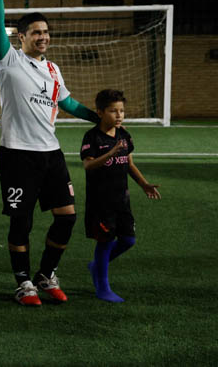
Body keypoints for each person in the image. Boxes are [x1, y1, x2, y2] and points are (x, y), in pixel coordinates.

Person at [0, 0, 100, 306]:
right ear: (21, 37)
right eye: (36, 32)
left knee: (67, 216)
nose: (43, 37)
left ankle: (45, 274)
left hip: (50, 153)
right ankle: (23, 282)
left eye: (46, 32)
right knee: (21, 223)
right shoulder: (8, 59)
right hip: (18, 153)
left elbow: (66, 102)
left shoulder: (53, 68)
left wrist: (98, 119)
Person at [81, 89, 160, 303]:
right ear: (100, 112)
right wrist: (109, 154)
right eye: (113, 111)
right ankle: (102, 287)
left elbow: (129, 164)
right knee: (105, 242)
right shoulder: (92, 137)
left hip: (122, 200)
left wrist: (144, 184)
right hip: (101, 202)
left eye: (122, 111)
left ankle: (97, 265)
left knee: (128, 240)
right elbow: (88, 165)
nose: (119, 115)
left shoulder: (124, 135)